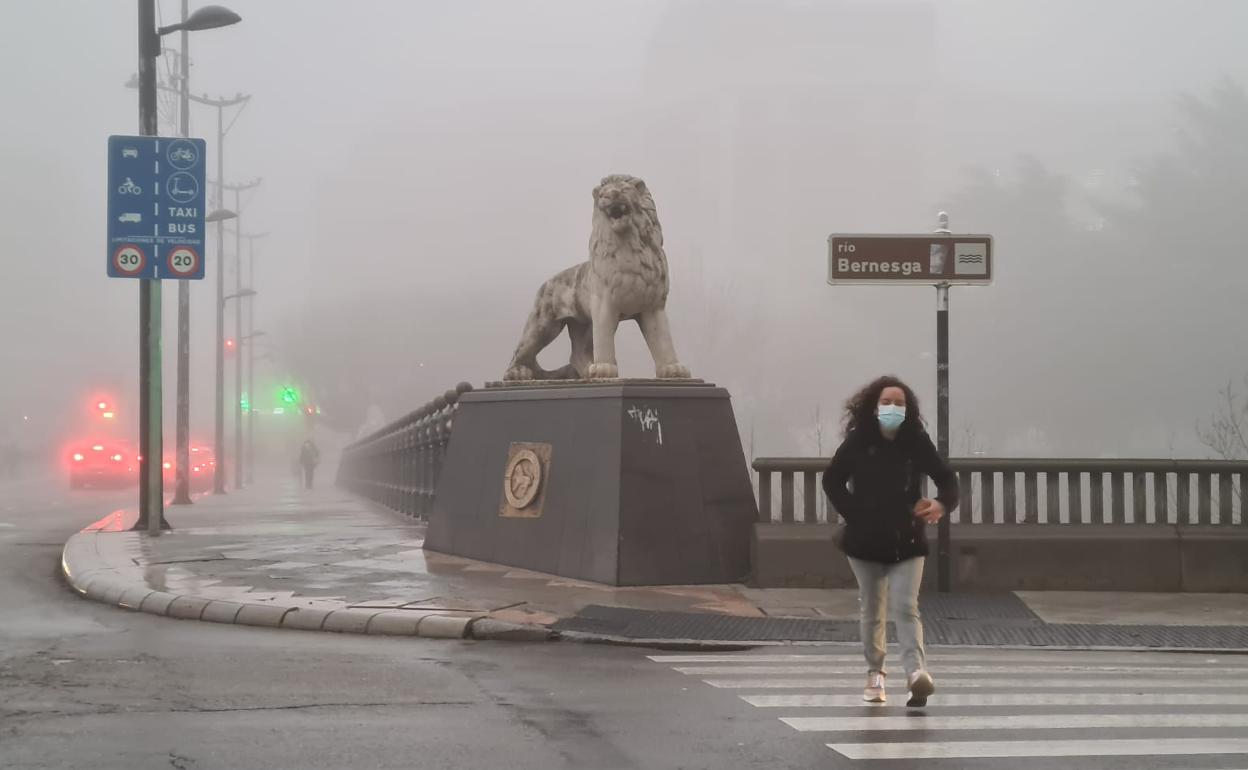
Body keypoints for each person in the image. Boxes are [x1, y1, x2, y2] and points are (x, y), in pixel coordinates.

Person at [822, 375, 958, 707]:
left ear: (908, 409)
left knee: (906, 607)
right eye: (886, 402)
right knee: (872, 609)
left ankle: (916, 674)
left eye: (899, 403)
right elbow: (832, 480)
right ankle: (875, 674)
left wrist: (940, 504)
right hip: (864, 543)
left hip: (907, 540)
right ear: (874, 406)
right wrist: (856, 512)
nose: (892, 408)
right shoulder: (858, 441)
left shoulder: (916, 441)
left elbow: (946, 480)